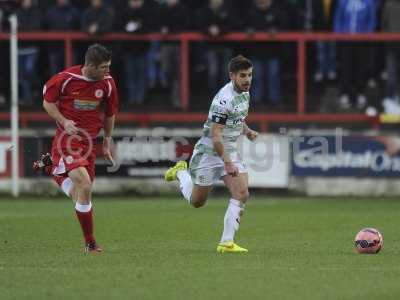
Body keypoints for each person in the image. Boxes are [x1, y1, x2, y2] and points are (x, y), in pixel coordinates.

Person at [164, 55, 258, 253]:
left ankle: (226, 242)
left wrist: (247, 131)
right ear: (232, 75)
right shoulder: (224, 99)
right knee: (197, 202)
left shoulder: (245, 93)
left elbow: (237, 118)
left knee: (242, 193)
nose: (248, 79)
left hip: (228, 149)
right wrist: (227, 163)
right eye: (243, 75)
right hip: (208, 153)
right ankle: (181, 172)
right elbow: (216, 134)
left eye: (250, 75)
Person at [34, 44, 119, 253]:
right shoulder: (65, 79)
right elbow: (47, 102)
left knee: (79, 193)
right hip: (68, 139)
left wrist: (107, 142)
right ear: (90, 65)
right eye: (104, 67)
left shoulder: (108, 84)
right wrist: (64, 121)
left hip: (89, 143)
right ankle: (90, 243)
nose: (107, 71)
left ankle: (53, 168)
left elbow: (110, 114)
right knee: (85, 184)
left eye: (109, 66)